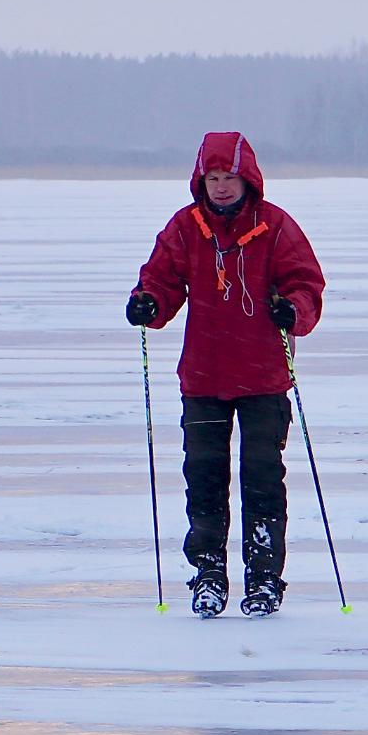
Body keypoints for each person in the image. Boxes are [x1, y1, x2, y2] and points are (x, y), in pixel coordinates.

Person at [126, 132, 325, 618]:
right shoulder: (185, 227)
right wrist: (147, 303)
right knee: (205, 480)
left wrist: (292, 310)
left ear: (246, 178)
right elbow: (161, 280)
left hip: (265, 378)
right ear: (201, 180)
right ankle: (208, 574)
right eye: (212, 178)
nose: (219, 187)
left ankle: (263, 580)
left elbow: (306, 283)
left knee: (262, 480)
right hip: (204, 378)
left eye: (227, 178)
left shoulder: (275, 226)